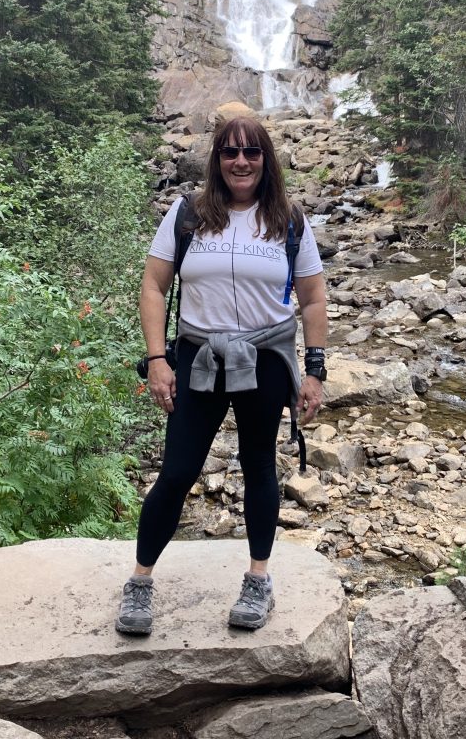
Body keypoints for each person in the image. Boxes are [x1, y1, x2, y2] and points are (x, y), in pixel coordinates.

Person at [116, 116, 328, 636]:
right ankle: (140, 582)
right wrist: (157, 359)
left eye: (251, 153)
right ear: (216, 160)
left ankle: (258, 579)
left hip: (264, 358)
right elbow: (152, 286)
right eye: (230, 152)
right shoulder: (188, 215)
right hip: (198, 356)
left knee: (258, 466)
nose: (240, 162)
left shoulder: (289, 221)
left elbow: (314, 297)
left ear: (265, 160)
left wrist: (316, 370)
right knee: (177, 470)